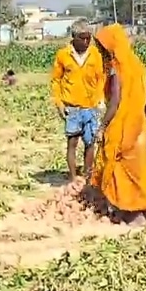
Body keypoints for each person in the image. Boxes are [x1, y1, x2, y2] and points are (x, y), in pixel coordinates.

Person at [90, 23, 146, 225]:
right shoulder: (136, 64)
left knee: (120, 166)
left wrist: (102, 126)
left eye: (101, 48)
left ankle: (133, 213)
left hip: (122, 125)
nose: (100, 52)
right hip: (137, 123)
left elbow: (115, 102)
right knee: (139, 166)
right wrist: (144, 116)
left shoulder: (117, 69)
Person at [50, 20, 105, 180]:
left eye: (88, 38)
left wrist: (100, 99)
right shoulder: (63, 55)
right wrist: (59, 104)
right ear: (74, 38)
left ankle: (88, 176)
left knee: (90, 143)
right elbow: (56, 81)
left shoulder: (95, 54)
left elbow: (100, 78)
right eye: (83, 38)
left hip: (91, 107)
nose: (86, 42)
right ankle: (73, 178)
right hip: (72, 107)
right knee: (72, 143)